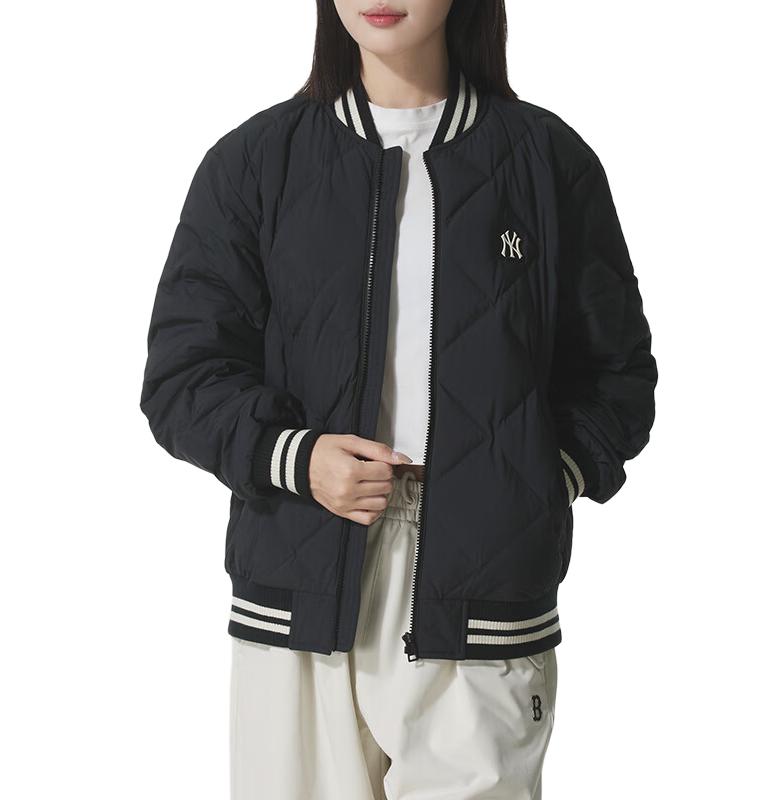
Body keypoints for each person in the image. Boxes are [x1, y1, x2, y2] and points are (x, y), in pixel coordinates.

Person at [139, 1, 657, 797]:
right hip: (301, 579)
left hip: (484, 591)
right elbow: (183, 374)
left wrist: (535, 482)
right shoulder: (256, 161)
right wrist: (298, 459)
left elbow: (616, 376)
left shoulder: (547, 160)